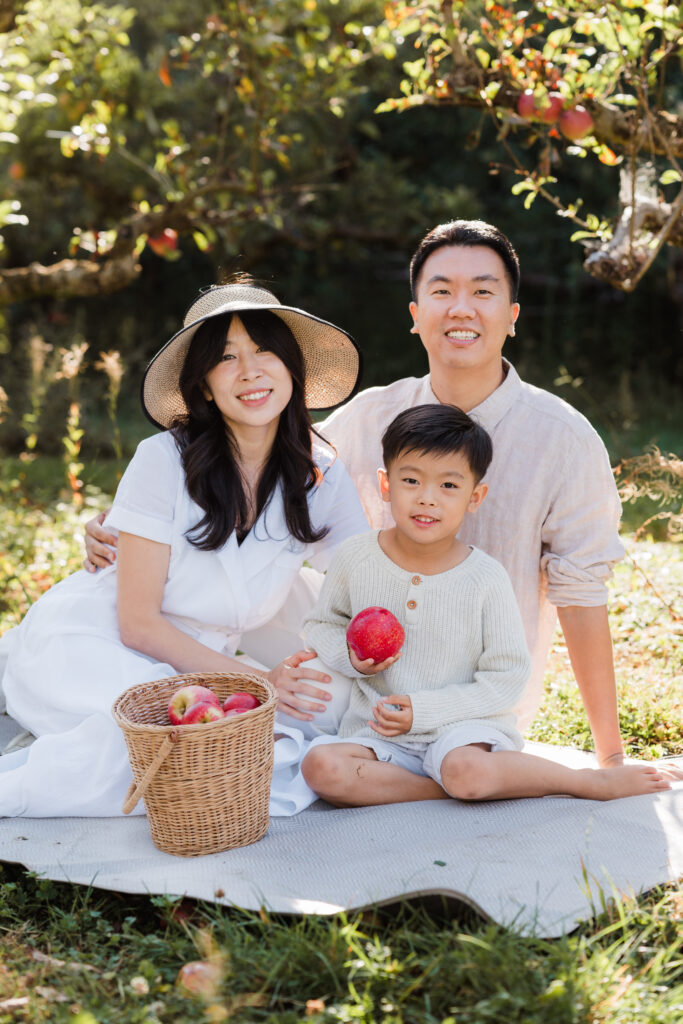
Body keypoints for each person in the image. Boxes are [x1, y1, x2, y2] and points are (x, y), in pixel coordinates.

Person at [79, 221, 648, 768]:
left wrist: (610, 755)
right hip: (374, 670)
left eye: (482, 291)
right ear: (415, 316)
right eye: (442, 291)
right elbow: (263, 456)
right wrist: (126, 520)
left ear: (512, 315)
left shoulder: (563, 440)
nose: (461, 308)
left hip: (480, 696)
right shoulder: (371, 416)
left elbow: (582, 591)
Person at [0, 279, 369, 818]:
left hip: (201, 665)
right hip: (94, 642)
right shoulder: (163, 459)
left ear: (293, 367)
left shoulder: (323, 474)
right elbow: (138, 625)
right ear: (204, 387)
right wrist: (260, 683)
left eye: (264, 350)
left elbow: (363, 579)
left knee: (312, 720)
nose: (250, 371)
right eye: (226, 358)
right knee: (156, 745)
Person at [300, 405, 671, 806]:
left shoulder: (485, 577)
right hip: (380, 732)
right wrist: (352, 659)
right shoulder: (356, 557)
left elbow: (506, 677)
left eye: (449, 485)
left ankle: (584, 782)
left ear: (475, 497)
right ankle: (438, 789)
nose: (427, 499)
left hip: (463, 732)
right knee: (321, 767)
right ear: (385, 484)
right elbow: (322, 625)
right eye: (411, 480)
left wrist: (425, 710)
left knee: (467, 771)